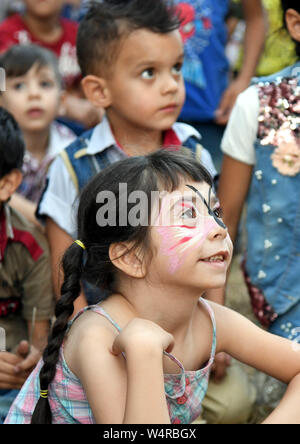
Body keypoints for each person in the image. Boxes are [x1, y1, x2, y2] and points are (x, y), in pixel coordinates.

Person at [5, 149, 300, 424]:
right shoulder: (98, 337)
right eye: (188, 215)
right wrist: (143, 353)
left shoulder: (210, 321)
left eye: (215, 212)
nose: (219, 229)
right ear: (131, 257)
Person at [37, 0, 217, 309]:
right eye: (149, 72)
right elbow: (63, 263)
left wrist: (217, 328)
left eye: (176, 68)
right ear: (99, 91)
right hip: (104, 335)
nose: (170, 85)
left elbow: (213, 241)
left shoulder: (195, 154)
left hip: (186, 328)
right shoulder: (73, 165)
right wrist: (78, 331)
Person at [218, 0, 300, 341]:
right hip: (286, 299)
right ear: (296, 24)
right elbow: (226, 221)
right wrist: (215, 328)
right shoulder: (257, 104)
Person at [0, 107, 55, 423]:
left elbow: (39, 342)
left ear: (8, 184)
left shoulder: (31, 247)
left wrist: (29, 359)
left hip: (13, 380)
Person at [173, 0, 266, 170]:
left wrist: (244, 79)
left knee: (208, 186)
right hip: (141, 114)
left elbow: (256, 17)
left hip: (212, 114)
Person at [0, 44, 76, 229]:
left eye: (45, 84)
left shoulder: (71, 147)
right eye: (19, 85)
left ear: (62, 100)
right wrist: (38, 216)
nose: (34, 94)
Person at [0, 0, 102, 131]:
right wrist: (66, 104)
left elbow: (93, 86)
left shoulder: (79, 35)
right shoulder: (5, 36)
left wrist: (94, 108)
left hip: (75, 131)